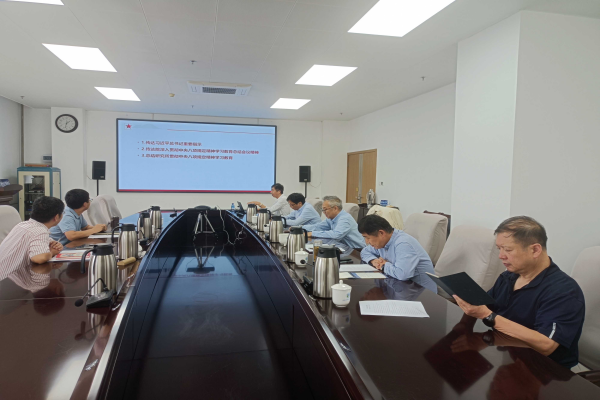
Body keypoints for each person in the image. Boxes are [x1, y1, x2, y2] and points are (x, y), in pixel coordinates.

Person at [452, 216, 585, 368]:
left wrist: (488, 316)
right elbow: (484, 304)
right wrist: (464, 325)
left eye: (508, 250)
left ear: (535, 250)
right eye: (499, 249)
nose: (501, 256)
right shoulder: (509, 276)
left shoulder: (563, 291)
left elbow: (547, 345)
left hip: (544, 370)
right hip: (506, 355)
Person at [358, 215, 436, 292]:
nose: (367, 242)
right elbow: (365, 251)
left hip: (422, 293)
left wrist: (383, 266)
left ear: (381, 233)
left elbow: (402, 274)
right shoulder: (382, 242)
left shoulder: (403, 243)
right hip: (399, 287)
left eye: (367, 238)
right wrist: (374, 260)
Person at [0, 196, 64, 281]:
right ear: (56, 217)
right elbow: (39, 258)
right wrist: (52, 252)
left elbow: (43, 240)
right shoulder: (39, 231)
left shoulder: (23, 224)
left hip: (8, 278)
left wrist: (55, 244)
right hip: (5, 281)